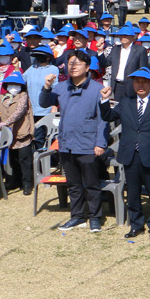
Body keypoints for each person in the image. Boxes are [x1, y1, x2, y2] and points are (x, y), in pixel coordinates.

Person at [40, 50, 108, 232]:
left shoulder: (96, 89)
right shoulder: (61, 87)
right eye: (70, 63)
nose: (73, 66)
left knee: (92, 184)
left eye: (78, 63)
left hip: (88, 143)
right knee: (74, 184)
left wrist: (100, 143)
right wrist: (47, 86)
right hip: (67, 143)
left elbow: (103, 119)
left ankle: (95, 217)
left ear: (87, 67)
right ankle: (77, 216)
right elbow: (44, 102)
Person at [100, 68, 150, 239]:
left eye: (144, 82)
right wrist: (104, 99)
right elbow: (108, 116)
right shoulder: (126, 102)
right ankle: (136, 224)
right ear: (132, 84)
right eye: (137, 81)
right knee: (132, 192)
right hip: (130, 154)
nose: (140, 85)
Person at [0, 71, 34, 196]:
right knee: (13, 159)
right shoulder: (3, 97)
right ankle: (16, 181)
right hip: (9, 135)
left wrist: (5, 123)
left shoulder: (23, 96)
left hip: (22, 132)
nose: (13, 86)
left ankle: (27, 183)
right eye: (11, 84)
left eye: (16, 84)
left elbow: (19, 112)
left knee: (24, 159)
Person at [107, 25, 148, 102]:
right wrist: (100, 52)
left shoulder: (140, 50)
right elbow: (106, 63)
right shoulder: (115, 49)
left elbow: (143, 69)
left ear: (133, 37)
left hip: (132, 87)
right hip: (117, 86)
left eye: (126, 35)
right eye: (122, 35)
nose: (124, 37)